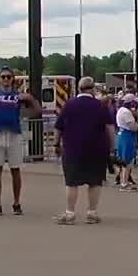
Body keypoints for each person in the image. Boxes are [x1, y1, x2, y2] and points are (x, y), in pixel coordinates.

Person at [0, 67, 40, 216]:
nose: (5, 79)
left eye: (8, 77)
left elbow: (36, 111)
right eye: (3, 77)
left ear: (12, 79)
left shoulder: (18, 95)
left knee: (15, 170)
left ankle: (16, 203)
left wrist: (31, 99)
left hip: (14, 134)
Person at [53, 77, 116, 225]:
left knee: (72, 182)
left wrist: (56, 144)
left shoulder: (69, 105)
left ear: (79, 89)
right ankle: (92, 213)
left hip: (73, 149)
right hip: (97, 149)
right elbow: (110, 129)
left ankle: (70, 213)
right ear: (93, 89)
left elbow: (58, 127)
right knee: (95, 182)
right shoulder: (101, 106)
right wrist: (112, 148)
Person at [115, 94, 138, 190]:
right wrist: (137, 124)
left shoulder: (121, 110)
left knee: (124, 159)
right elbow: (133, 127)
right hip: (127, 136)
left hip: (122, 135)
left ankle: (123, 181)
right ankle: (124, 183)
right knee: (127, 161)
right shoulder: (126, 112)